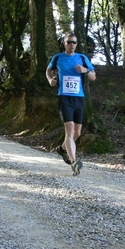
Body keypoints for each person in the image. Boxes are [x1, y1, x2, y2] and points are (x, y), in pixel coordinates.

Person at [46, 32, 96, 176]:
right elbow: (48, 70)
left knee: (77, 133)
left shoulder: (82, 58)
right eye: (69, 42)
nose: (72, 45)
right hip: (64, 98)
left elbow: (93, 76)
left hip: (79, 98)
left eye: (74, 42)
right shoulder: (57, 58)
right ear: (64, 43)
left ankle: (62, 149)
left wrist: (85, 70)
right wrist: (50, 80)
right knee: (70, 131)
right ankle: (74, 162)